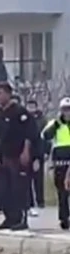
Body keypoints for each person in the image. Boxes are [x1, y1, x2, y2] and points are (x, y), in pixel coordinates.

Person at [0, 82, 37, 231]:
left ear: (8, 94)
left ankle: (22, 219)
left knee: (19, 188)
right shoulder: (1, 114)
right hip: (5, 156)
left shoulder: (20, 112)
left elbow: (30, 133)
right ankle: (10, 218)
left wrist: (26, 151)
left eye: (0, 93)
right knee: (4, 189)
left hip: (18, 155)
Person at [41, 97, 70, 231]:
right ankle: (64, 218)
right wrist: (55, 126)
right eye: (65, 110)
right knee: (62, 192)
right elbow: (44, 136)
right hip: (60, 160)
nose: (67, 113)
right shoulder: (55, 123)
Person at [25, 98, 47, 215]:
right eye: (29, 106)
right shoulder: (24, 121)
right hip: (26, 153)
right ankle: (30, 202)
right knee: (27, 180)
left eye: (33, 106)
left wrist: (41, 155)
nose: (31, 109)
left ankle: (40, 200)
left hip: (38, 153)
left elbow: (42, 139)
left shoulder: (42, 121)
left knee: (38, 179)